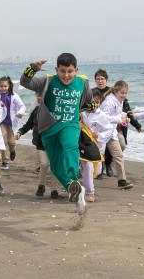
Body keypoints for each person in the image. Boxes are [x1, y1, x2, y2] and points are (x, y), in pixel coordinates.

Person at [19, 53, 95, 215]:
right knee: (55, 166)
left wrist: (93, 107)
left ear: (76, 70)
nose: (66, 75)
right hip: (49, 129)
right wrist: (32, 68)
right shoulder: (47, 81)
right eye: (62, 71)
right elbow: (24, 82)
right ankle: (75, 191)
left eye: (69, 71)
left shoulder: (82, 82)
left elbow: (88, 101)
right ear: (56, 70)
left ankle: (74, 179)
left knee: (70, 147)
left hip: (70, 125)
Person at [17, 92, 62, 199]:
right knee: (44, 164)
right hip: (41, 142)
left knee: (54, 167)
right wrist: (20, 132)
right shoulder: (36, 111)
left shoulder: (57, 111)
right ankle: (41, 185)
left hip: (55, 143)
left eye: (42, 95)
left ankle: (54, 190)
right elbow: (28, 124)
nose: (40, 98)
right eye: (38, 95)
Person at [99, 81, 134, 190]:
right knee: (92, 156)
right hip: (100, 133)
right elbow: (103, 118)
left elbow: (118, 114)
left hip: (111, 133)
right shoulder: (109, 102)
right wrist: (120, 120)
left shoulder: (120, 101)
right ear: (115, 91)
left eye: (126, 93)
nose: (124, 95)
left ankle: (122, 180)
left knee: (118, 155)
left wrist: (125, 117)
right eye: (122, 93)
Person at [0, 76, 26, 170]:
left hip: (13, 122)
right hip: (2, 122)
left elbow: (22, 106)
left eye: (5, 86)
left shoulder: (14, 95)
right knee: (2, 140)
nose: (3, 88)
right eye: (1, 86)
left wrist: (20, 113)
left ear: (9, 86)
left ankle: (12, 151)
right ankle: (5, 161)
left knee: (12, 143)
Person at [79, 116, 104, 203]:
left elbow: (108, 126)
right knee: (89, 167)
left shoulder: (99, 115)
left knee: (97, 172)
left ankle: (86, 184)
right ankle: (90, 192)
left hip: (96, 148)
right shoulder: (81, 120)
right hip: (82, 150)